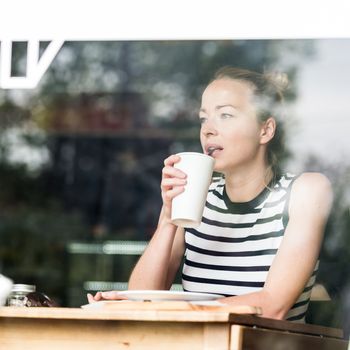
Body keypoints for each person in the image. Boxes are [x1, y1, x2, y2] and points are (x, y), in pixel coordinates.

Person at [88, 66, 333, 322]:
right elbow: (142, 297)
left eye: (225, 115)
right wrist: (168, 218)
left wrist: (176, 310)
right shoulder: (197, 198)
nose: (208, 130)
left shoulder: (306, 191)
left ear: (265, 130)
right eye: (204, 118)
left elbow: (273, 306)